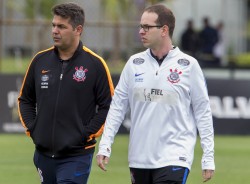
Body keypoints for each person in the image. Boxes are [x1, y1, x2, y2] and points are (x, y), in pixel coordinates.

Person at [96, 4, 215, 184]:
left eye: (147, 27)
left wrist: (208, 156)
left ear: (164, 30)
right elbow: (118, 107)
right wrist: (105, 145)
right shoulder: (133, 63)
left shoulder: (189, 65)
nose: (141, 31)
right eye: (140, 26)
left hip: (175, 156)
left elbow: (203, 112)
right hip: (139, 158)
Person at [18, 3, 114, 184]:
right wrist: (33, 128)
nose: (55, 30)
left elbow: (108, 106)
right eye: (53, 25)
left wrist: (85, 134)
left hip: (77, 155)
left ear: (78, 29)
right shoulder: (40, 60)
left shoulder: (95, 64)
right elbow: (25, 99)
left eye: (61, 26)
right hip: (43, 154)